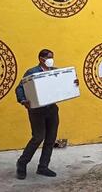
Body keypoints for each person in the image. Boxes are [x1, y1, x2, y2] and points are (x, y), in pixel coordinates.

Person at [15, 49, 79, 180]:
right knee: (38, 137)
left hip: (52, 109)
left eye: (52, 57)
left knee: (50, 139)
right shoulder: (32, 72)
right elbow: (19, 88)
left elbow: (64, 83)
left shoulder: (55, 72)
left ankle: (43, 167)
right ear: (41, 59)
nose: (51, 59)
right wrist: (23, 100)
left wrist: (74, 83)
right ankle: (22, 163)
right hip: (37, 110)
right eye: (49, 57)